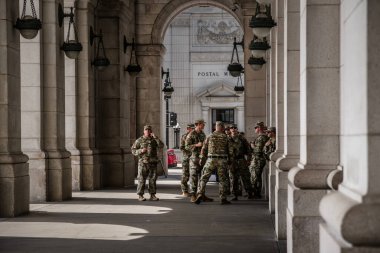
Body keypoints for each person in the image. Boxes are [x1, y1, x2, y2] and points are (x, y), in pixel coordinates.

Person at [194, 121, 233, 205]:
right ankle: (223, 198)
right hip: (222, 160)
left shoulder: (209, 136)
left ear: (216, 127)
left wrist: (201, 159)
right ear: (222, 127)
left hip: (211, 159)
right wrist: (230, 161)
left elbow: (204, 148)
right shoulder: (226, 137)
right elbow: (230, 151)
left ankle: (200, 193)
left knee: (204, 178)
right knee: (223, 179)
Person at [131, 125, 164, 201]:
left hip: (153, 163)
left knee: (152, 179)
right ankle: (140, 195)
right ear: (144, 131)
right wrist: (140, 151)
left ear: (151, 131)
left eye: (149, 130)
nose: (148, 131)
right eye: (146, 130)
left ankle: (152, 195)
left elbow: (161, 145)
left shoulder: (154, 140)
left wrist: (156, 137)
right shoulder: (139, 140)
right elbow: (133, 150)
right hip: (143, 163)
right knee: (141, 179)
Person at [185, 119, 212, 202]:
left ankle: (201, 194)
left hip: (202, 158)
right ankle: (193, 195)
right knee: (193, 176)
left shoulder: (202, 134)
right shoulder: (191, 134)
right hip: (194, 158)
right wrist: (196, 145)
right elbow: (186, 147)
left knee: (202, 177)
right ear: (198, 124)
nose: (204, 125)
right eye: (202, 124)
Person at [229, 124, 253, 200]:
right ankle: (235, 195)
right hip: (232, 161)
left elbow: (248, 150)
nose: (233, 129)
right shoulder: (228, 139)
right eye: (231, 128)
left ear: (237, 129)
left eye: (235, 128)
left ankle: (249, 193)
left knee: (245, 177)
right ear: (230, 130)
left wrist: (249, 160)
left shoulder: (242, 138)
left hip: (241, 160)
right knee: (233, 178)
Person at [249, 121, 270, 199]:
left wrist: (252, 146)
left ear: (259, 128)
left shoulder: (261, 138)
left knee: (255, 176)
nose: (255, 129)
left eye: (255, 128)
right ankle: (255, 192)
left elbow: (258, 150)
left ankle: (256, 193)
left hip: (258, 159)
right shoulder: (261, 137)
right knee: (256, 176)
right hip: (257, 159)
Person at [179, 123, 194, 196]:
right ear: (188, 129)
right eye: (191, 128)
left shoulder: (196, 136)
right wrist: (189, 152)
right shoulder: (184, 136)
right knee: (185, 174)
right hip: (186, 158)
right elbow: (181, 147)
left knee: (194, 174)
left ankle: (194, 191)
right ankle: (184, 191)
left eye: (194, 128)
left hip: (195, 158)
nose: (193, 130)